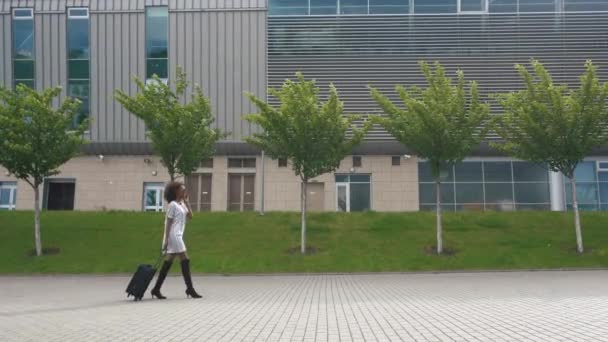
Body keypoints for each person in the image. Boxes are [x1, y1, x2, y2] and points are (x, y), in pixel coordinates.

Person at [151, 181, 202, 299]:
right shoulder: (172, 205)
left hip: (179, 234)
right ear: (176, 192)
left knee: (168, 261)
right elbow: (168, 223)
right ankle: (190, 289)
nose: (184, 191)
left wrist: (187, 203)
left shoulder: (181, 204)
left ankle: (156, 289)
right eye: (182, 190)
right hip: (174, 235)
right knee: (185, 259)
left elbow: (191, 216)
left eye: (184, 190)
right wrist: (166, 239)